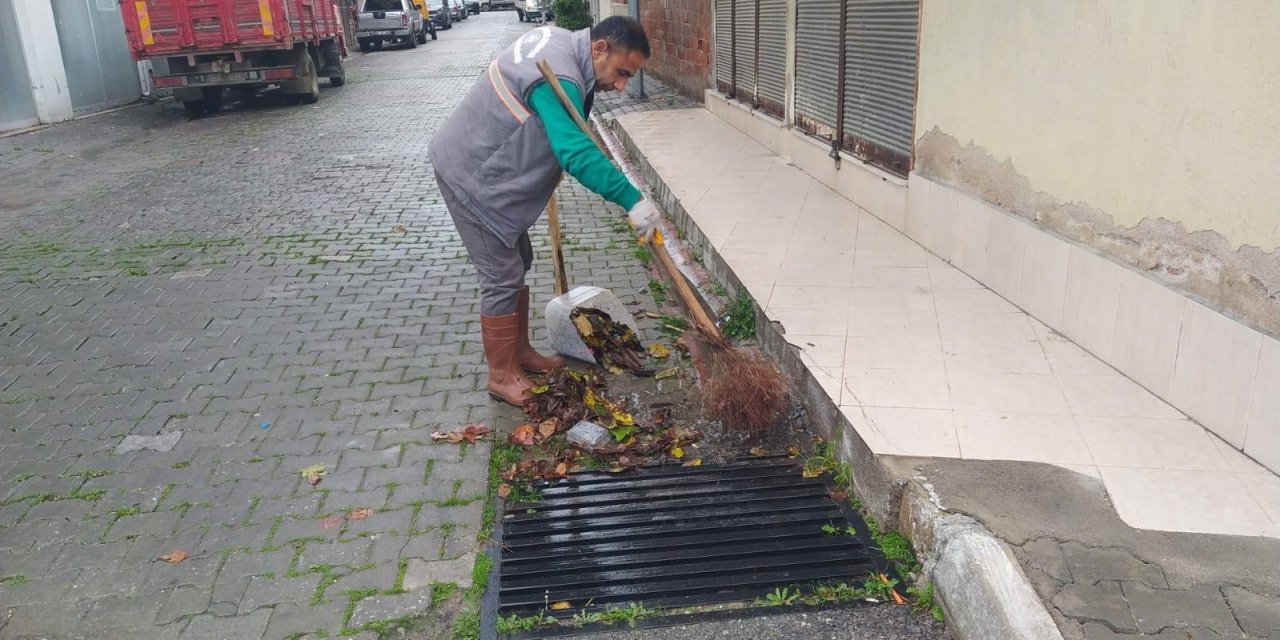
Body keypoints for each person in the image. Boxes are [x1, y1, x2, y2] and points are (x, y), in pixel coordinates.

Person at [429, 16, 660, 406]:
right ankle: (501, 376)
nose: (621, 86)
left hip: (492, 171)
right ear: (599, 48)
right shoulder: (559, 74)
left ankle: (519, 354)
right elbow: (574, 152)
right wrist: (632, 200)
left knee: (521, 259)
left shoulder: (564, 46)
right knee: (502, 275)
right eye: (621, 73)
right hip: (472, 179)